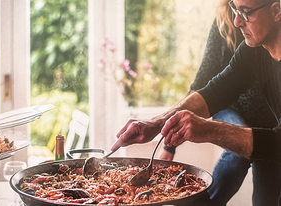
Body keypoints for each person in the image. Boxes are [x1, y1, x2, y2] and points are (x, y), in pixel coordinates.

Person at [112, 0, 281, 205]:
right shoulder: (253, 50)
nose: (236, 21)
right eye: (235, 9)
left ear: (276, 11)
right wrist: (155, 124)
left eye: (245, 13)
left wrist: (209, 130)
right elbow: (214, 92)